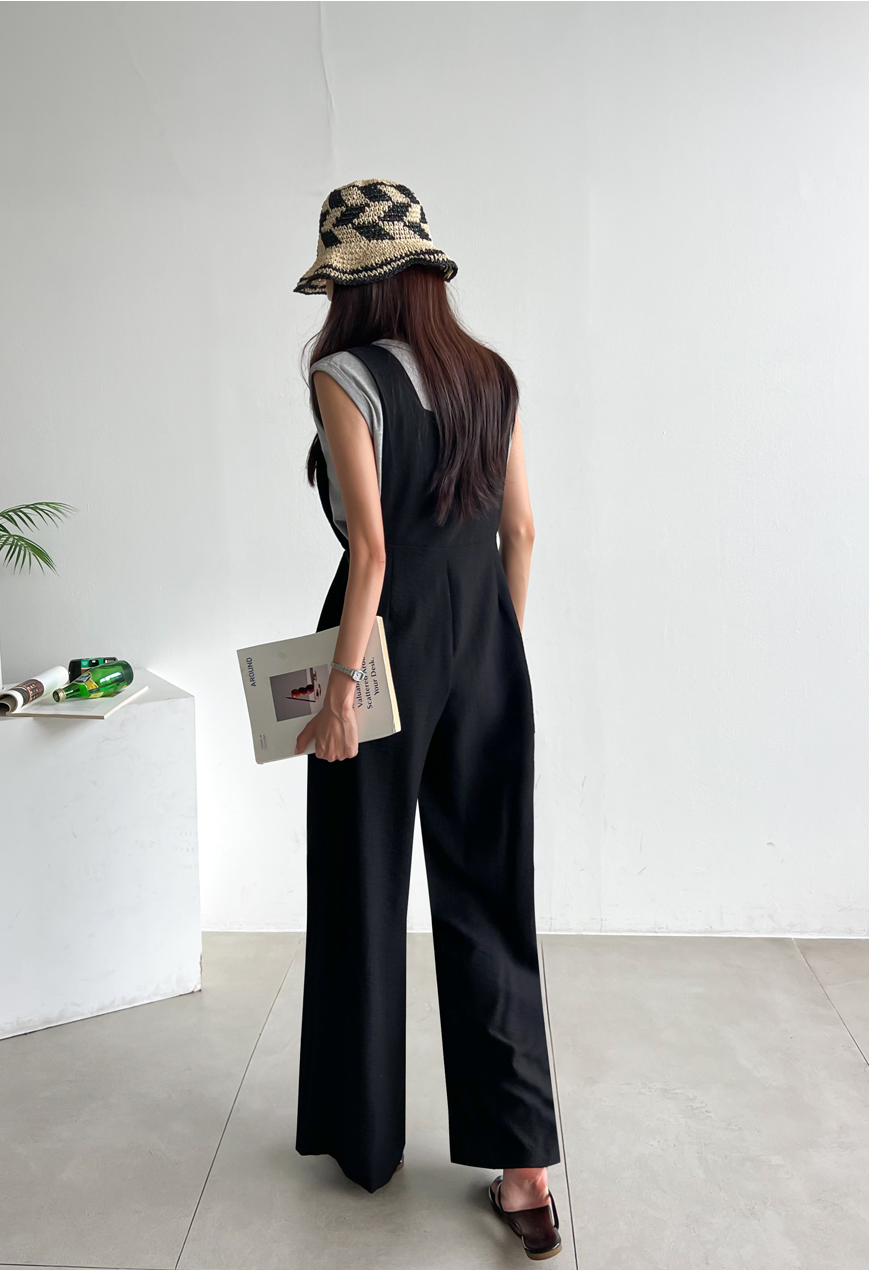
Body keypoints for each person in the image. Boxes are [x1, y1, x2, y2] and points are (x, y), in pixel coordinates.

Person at [291, 179, 563, 1262]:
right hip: (489, 648)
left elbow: (371, 549)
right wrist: (492, 650)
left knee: (360, 887)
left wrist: (340, 692)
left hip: (381, 647)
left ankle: (367, 1143)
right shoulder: (490, 373)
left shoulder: (342, 376)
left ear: (351, 288)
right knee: (491, 898)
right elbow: (523, 532)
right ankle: (524, 1169)